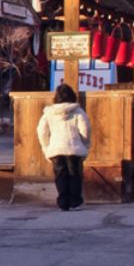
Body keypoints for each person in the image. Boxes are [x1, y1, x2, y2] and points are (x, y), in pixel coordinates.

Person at [36, 83, 91, 211]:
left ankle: (63, 203)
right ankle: (75, 202)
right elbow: (85, 129)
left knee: (60, 176)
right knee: (75, 175)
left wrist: (46, 146)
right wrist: (84, 143)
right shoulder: (78, 111)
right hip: (74, 148)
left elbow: (41, 131)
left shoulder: (49, 112)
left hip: (56, 148)